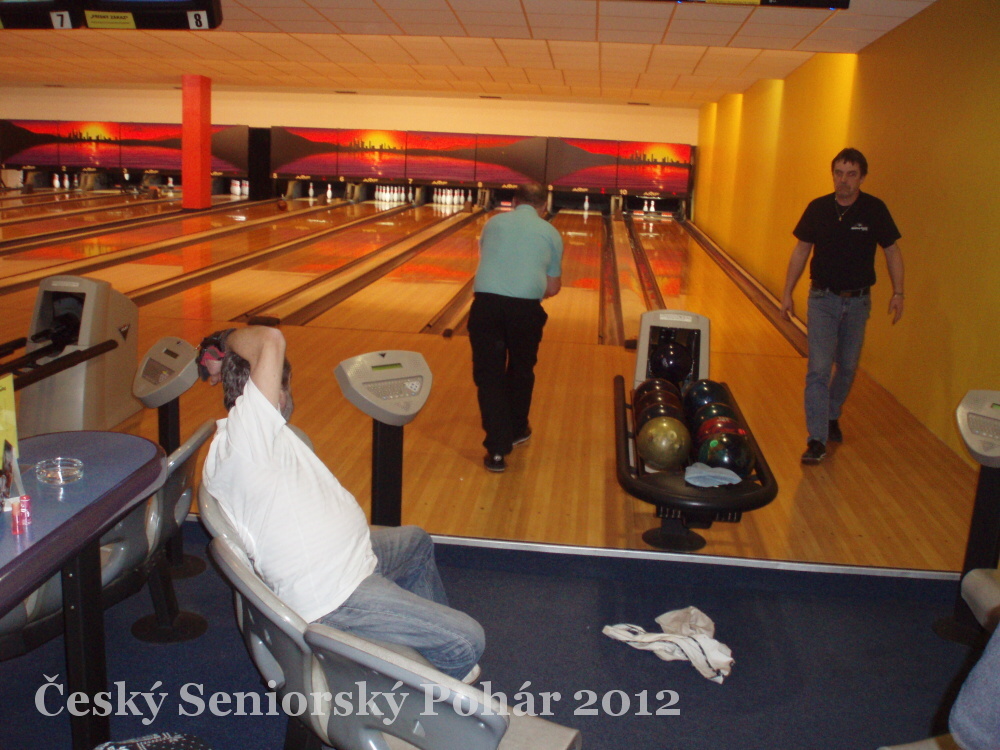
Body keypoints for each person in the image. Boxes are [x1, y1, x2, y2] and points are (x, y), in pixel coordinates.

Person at [200, 325, 485, 681]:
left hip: (350, 561)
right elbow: (269, 339)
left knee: (415, 542)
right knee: (466, 640)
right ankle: (423, 692)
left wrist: (220, 361)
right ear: (273, 393)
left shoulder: (254, 437)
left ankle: (420, 651)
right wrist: (220, 342)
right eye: (280, 385)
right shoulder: (247, 440)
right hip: (334, 598)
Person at [780, 148, 905, 465]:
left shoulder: (874, 210)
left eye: (851, 174)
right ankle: (817, 439)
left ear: (862, 177)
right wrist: (787, 292)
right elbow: (801, 251)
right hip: (822, 300)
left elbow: (892, 251)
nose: (844, 180)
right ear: (832, 174)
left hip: (859, 302)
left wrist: (899, 292)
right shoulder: (818, 208)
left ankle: (832, 413)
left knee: (848, 366)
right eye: (838, 173)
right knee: (818, 370)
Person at [469, 182, 563, 472]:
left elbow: (491, 261)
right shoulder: (551, 232)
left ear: (511, 201)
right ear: (544, 207)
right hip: (525, 311)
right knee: (521, 371)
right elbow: (553, 287)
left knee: (489, 377)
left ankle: (497, 450)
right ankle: (518, 428)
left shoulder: (492, 223)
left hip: (486, 306)